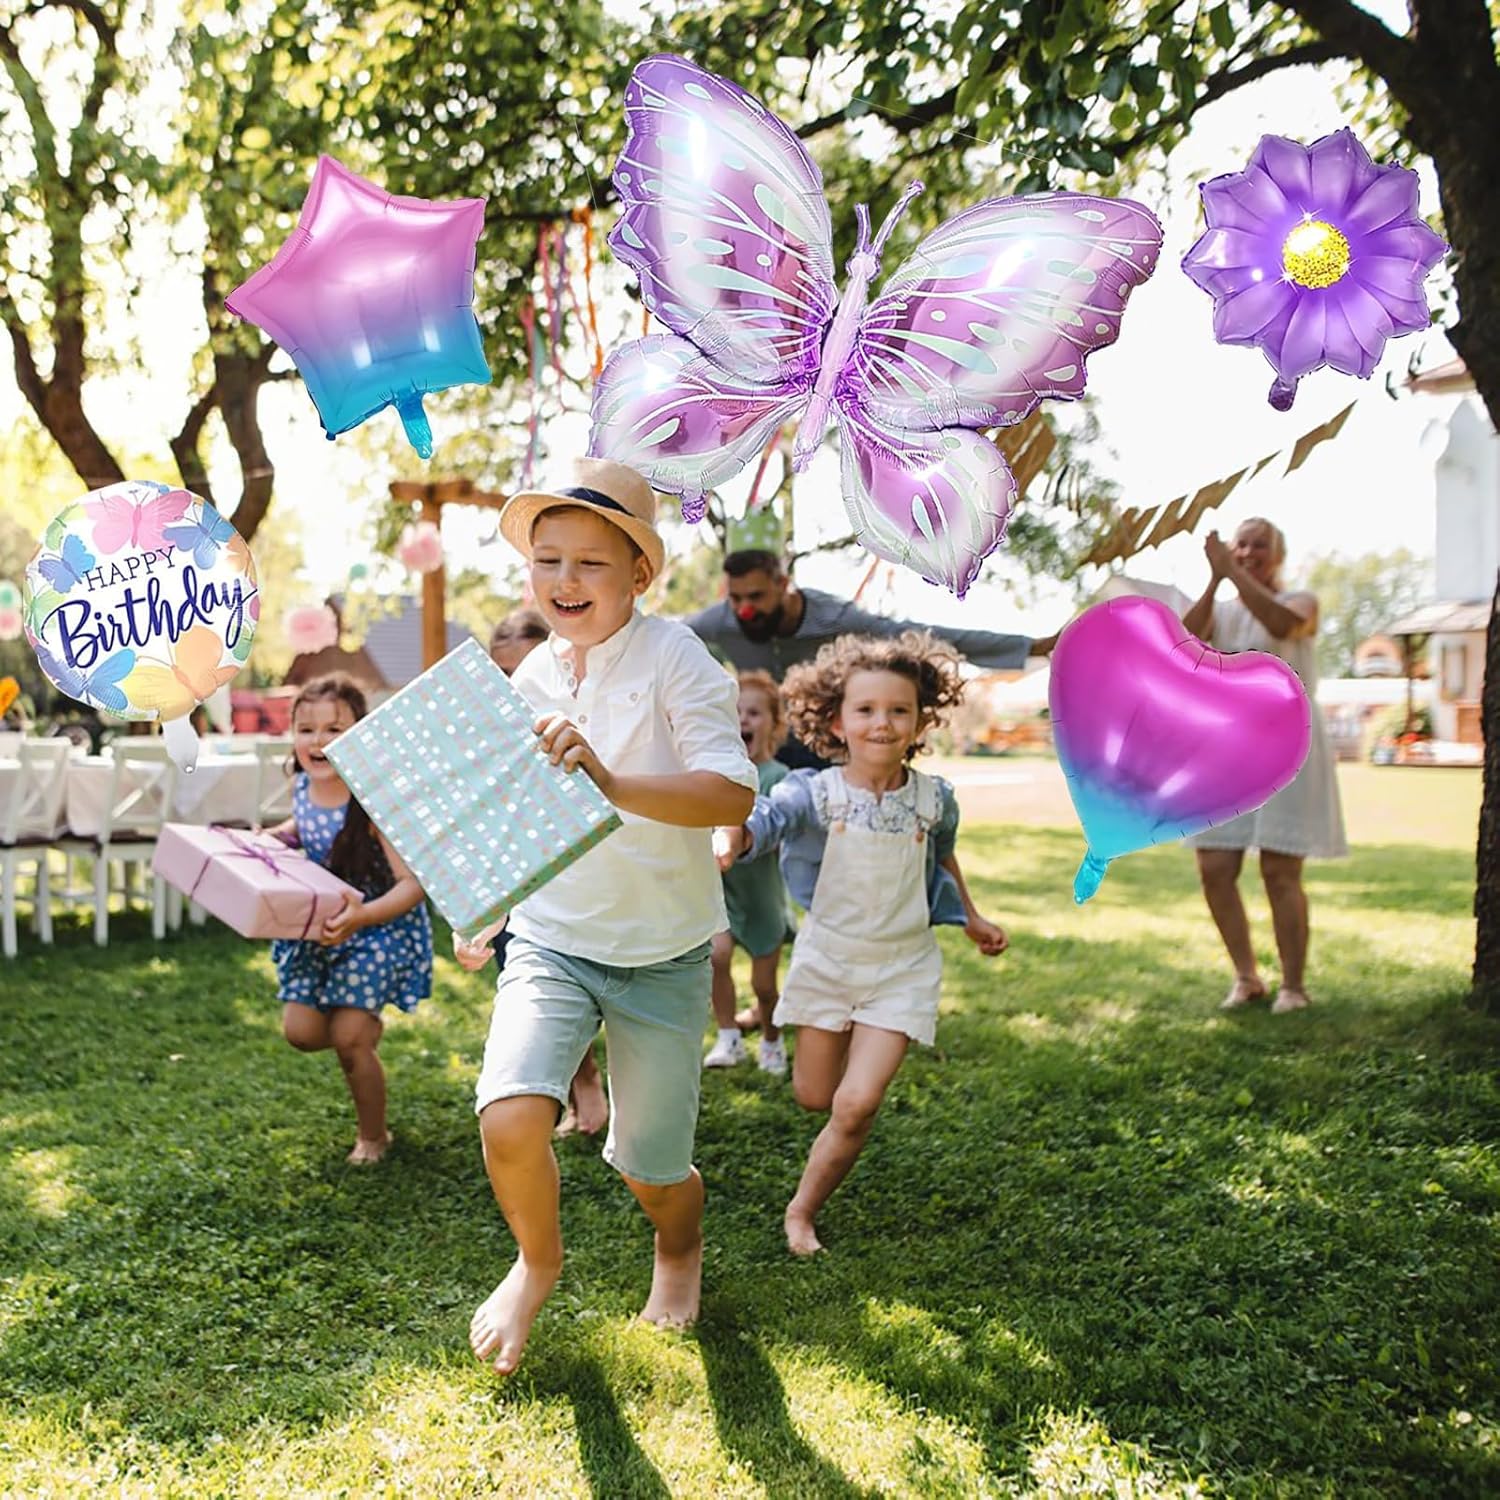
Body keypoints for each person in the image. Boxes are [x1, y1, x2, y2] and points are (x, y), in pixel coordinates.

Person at [455, 457, 757, 1375]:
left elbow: (731, 791)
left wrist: (613, 782)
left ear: (639, 573)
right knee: (510, 1114)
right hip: (553, 938)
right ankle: (536, 1263)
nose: (565, 580)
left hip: (663, 950)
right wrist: (484, 906)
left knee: (650, 1169)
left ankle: (679, 1246)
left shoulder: (676, 657)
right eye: (548, 560)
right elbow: (516, 813)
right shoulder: (529, 675)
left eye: (591, 562)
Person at [716, 630, 1009, 1255]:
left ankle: (801, 1212)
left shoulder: (935, 800)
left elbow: (942, 859)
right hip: (828, 961)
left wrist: (971, 917)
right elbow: (767, 820)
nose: (882, 723)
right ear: (836, 720)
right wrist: (734, 837)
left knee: (854, 1105)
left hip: (903, 968)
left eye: (899, 710)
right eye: (866, 709)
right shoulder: (812, 793)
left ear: (920, 720)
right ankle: (848, 1041)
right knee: (814, 1096)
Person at [678, 550, 1059, 769]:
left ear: (782, 584)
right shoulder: (721, 621)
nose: (744, 609)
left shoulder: (835, 619)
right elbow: (670, 638)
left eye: (755, 597)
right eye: (736, 598)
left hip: (825, 746)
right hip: (759, 749)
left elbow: (921, 635)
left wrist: (1029, 647)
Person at [266, 675, 433, 1164]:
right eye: (306, 729)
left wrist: (363, 918)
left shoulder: (374, 802)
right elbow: (305, 827)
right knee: (300, 1033)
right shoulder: (303, 787)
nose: (318, 741)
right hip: (324, 928)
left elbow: (412, 885)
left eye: (334, 729)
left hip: (376, 928)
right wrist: (272, 838)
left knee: (347, 1040)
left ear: (361, 735)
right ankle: (360, 1029)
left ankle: (373, 1135)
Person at [1183, 518, 1348, 1014]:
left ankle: (1293, 986)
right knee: (1215, 867)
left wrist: (1232, 572)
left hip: (1288, 740)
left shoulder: (1301, 601)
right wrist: (1216, 579)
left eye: (1260, 545)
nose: (1249, 552)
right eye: (1241, 544)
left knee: (1279, 869)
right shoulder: (1222, 608)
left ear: (1278, 556)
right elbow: (1185, 640)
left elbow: (1281, 625)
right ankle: (1246, 977)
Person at [486, 606, 608, 1138]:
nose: (513, 687)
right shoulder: (487, 735)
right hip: (513, 879)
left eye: (522, 672)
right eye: (501, 674)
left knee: (582, 979)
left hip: (578, 877)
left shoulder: (574, 725)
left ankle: (593, 1082)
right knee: (527, 981)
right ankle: (577, 1082)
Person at [704, 669, 793, 1075]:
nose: (742, 720)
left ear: (775, 724)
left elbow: (779, 828)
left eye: (754, 713)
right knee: (716, 957)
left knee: (764, 985)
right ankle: (729, 1037)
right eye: (735, 712)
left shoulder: (779, 778)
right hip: (722, 892)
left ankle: (772, 1039)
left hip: (762, 898)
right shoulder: (714, 777)